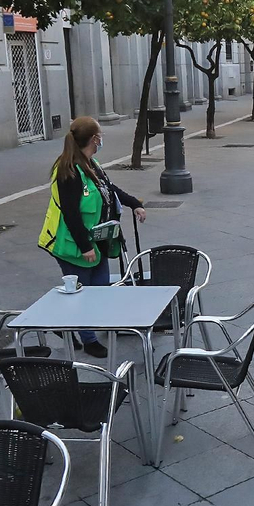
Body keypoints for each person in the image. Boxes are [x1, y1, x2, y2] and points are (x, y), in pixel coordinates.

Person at [38, 117, 148, 356]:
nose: (102, 139)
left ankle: (66, 323)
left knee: (100, 290)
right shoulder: (68, 170)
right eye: (100, 135)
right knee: (83, 293)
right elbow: (70, 214)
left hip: (97, 241)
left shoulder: (91, 163)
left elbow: (110, 189)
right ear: (94, 139)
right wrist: (85, 246)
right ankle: (88, 340)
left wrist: (134, 204)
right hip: (72, 244)